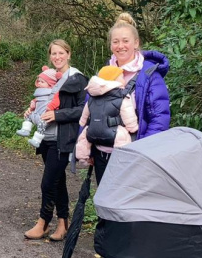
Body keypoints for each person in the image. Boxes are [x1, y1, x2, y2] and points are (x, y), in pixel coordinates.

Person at [86, 13, 171, 183]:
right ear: (110, 45)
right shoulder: (104, 73)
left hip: (133, 155)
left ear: (136, 43)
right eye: (115, 42)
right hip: (102, 153)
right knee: (106, 199)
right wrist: (88, 147)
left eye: (125, 41)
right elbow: (89, 110)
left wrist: (142, 152)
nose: (120, 46)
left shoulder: (149, 75)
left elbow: (159, 118)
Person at [24, 40, 87, 241]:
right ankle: (63, 223)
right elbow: (43, 103)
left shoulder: (77, 79)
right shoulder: (50, 77)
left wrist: (57, 115)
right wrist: (32, 111)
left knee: (48, 182)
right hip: (46, 138)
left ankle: (43, 222)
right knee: (58, 181)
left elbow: (84, 109)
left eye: (61, 53)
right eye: (53, 54)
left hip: (63, 138)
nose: (57, 57)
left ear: (69, 54)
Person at [75, 65, 139, 163]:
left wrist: (82, 122)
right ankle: (122, 158)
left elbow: (85, 112)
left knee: (83, 138)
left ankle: (82, 156)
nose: (124, 80)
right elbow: (128, 113)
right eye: (121, 77)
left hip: (93, 130)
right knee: (122, 138)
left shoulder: (93, 96)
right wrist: (132, 127)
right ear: (114, 80)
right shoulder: (122, 96)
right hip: (114, 131)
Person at [17, 67, 62, 148]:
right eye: (39, 81)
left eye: (42, 82)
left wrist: (51, 107)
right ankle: (26, 129)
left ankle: (36, 140)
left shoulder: (53, 94)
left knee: (42, 125)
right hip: (37, 113)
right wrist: (33, 103)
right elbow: (37, 100)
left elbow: (56, 102)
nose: (39, 83)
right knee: (28, 116)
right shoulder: (39, 92)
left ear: (50, 84)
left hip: (45, 116)